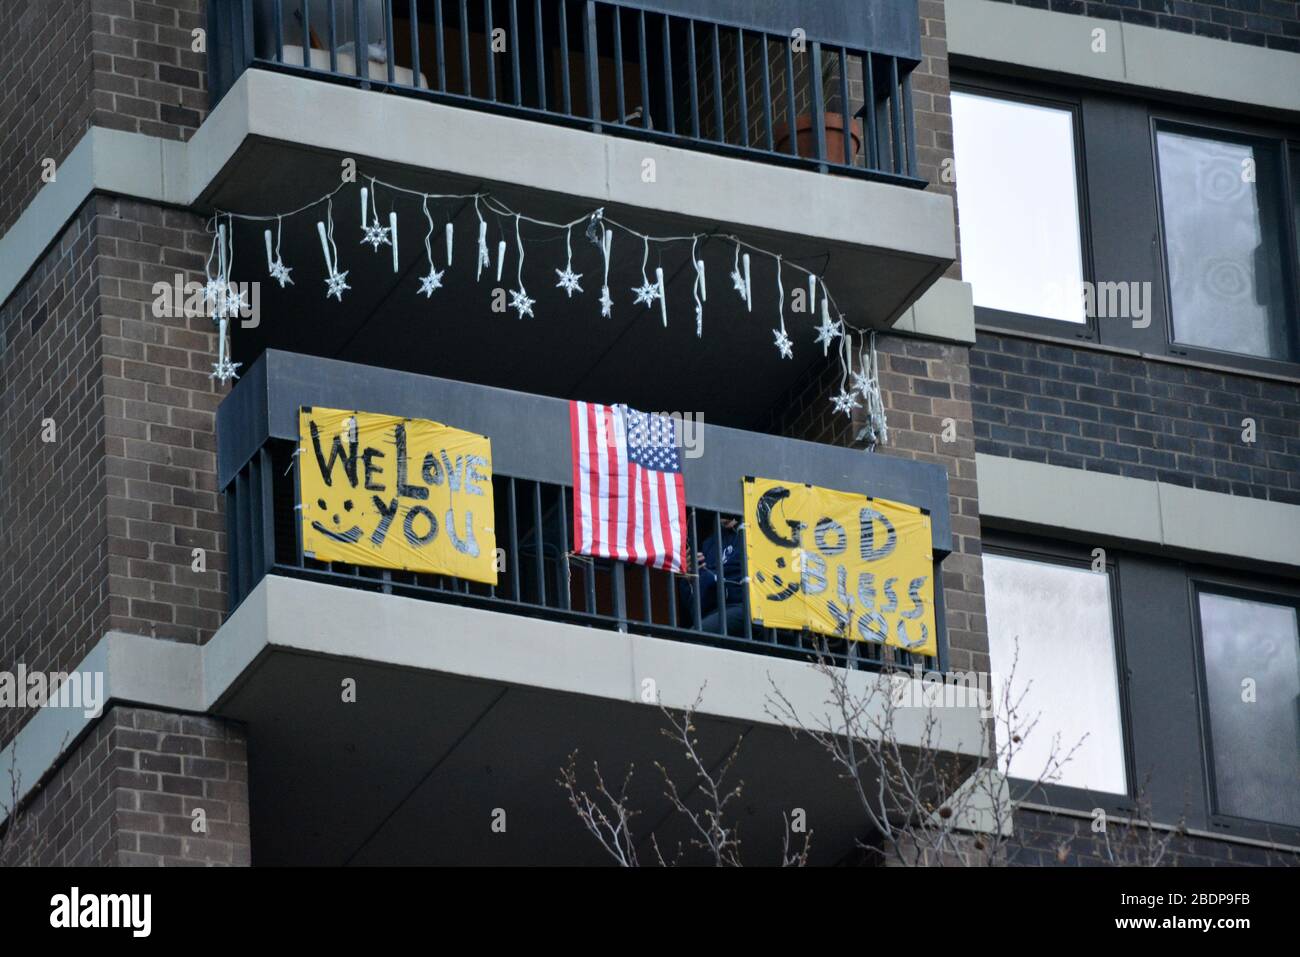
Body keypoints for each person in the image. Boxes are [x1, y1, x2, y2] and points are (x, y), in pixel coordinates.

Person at [679, 517, 747, 636]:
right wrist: (690, 579)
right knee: (694, 634)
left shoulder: (753, 531)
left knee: (693, 637)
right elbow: (695, 608)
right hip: (714, 614)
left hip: (745, 608)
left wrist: (711, 580)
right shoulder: (710, 543)